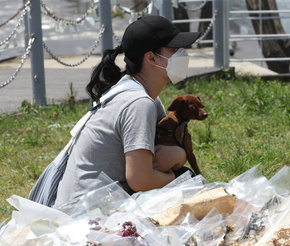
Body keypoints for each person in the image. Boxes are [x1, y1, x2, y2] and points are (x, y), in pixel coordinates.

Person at [54, 16, 200, 207]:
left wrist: (179, 155)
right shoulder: (139, 103)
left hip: (86, 205)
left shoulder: (138, 94)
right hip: (88, 215)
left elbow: (166, 149)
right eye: (173, 50)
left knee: (187, 182)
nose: (182, 54)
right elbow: (140, 180)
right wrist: (180, 177)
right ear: (151, 58)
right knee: (188, 183)